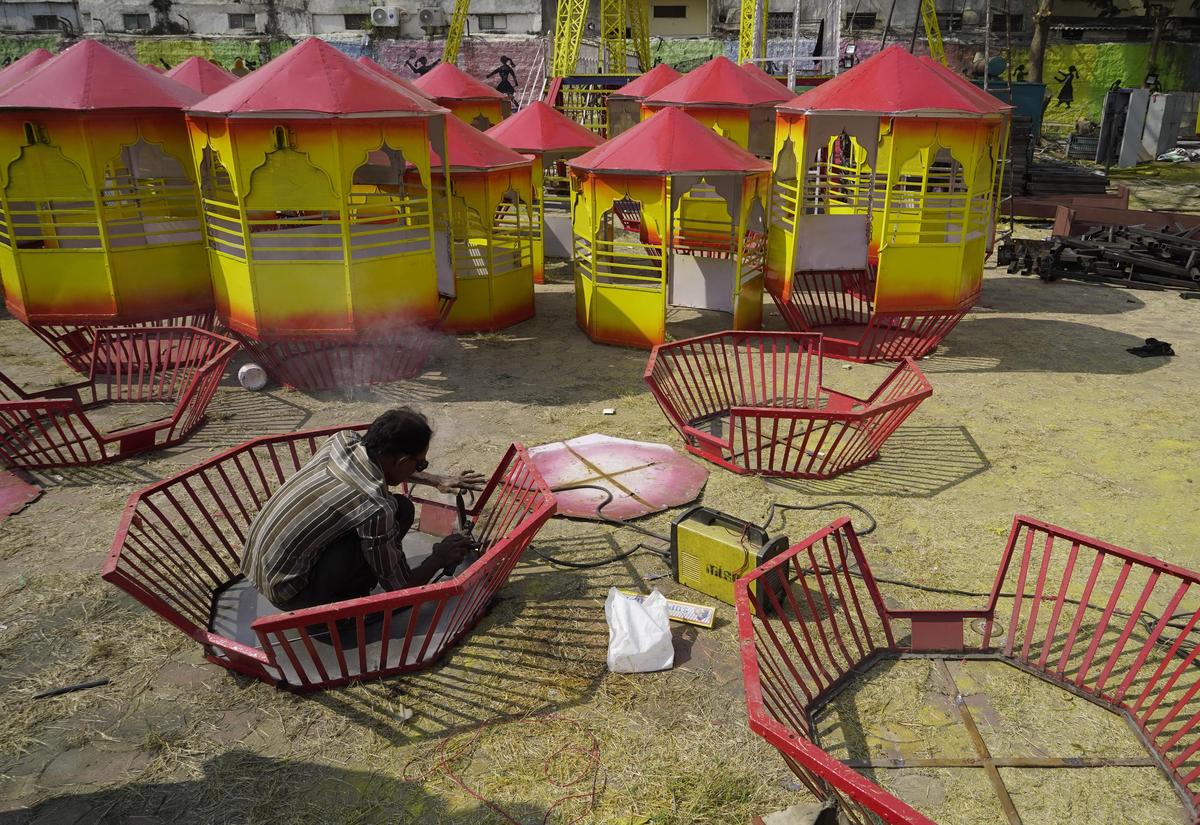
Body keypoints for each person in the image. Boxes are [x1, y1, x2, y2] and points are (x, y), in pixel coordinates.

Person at [241, 408, 484, 612]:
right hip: (292, 596)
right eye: (419, 463)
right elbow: (400, 588)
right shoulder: (374, 505)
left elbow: (386, 469)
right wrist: (439, 557)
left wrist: (435, 480)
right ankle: (344, 600)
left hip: (256, 568)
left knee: (401, 508)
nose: (420, 468)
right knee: (396, 511)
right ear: (401, 462)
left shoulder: (342, 440)